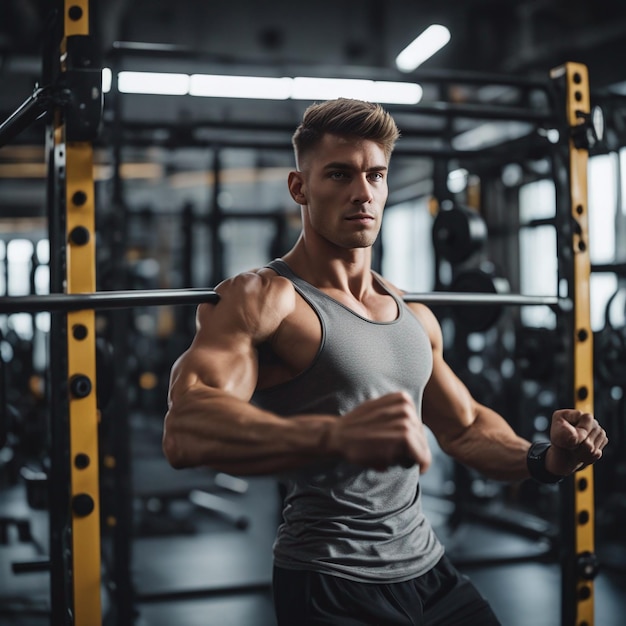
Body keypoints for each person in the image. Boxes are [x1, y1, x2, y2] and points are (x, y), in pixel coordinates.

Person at [162, 98, 608, 625]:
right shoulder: (265, 298)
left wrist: (547, 460)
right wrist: (334, 436)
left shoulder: (412, 314)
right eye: (339, 174)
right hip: (331, 580)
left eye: (376, 175)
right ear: (299, 187)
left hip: (429, 569)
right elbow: (186, 427)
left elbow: (463, 428)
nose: (363, 192)